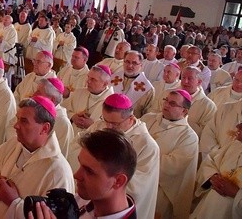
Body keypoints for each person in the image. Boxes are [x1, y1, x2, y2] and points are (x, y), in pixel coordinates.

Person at [0, 96, 75, 218]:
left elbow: (54, 216)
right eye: (17, 119)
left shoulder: (58, 171)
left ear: (44, 128)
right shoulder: (13, 144)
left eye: (23, 121)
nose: (16, 126)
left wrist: (14, 202)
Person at [67, 94, 159, 219]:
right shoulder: (99, 126)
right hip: (89, 200)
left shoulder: (147, 145)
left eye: (115, 124)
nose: (108, 127)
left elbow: (140, 186)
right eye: (105, 120)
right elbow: (75, 149)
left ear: (130, 119)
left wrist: (101, 175)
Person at [141, 90, 198, 219]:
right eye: (166, 100)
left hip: (161, 191)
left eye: (172, 103)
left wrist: (141, 156)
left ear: (184, 111)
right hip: (136, 180)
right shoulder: (148, 119)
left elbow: (173, 167)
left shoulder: (189, 136)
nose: (166, 105)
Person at [75, 129, 137, 218]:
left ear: (118, 181)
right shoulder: (83, 199)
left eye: (89, 171)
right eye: (80, 164)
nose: (76, 175)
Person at [191, 122, 242, 219]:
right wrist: (213, 176)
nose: (237, 126)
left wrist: (236, 193)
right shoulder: (235, 145)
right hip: (208, 208)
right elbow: (210, 161)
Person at [64, 64, 114, 135]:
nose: (88, 81)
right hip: (71, 135)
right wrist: (73, 117)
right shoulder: (79, 92)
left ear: (105, 84)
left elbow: (112, 130)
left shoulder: (112, 104)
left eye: (93, 79)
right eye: (88, 77)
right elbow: (62, 109)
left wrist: (93, 125)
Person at [111, 50, 155, 118]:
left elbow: (146, 116)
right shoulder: (112, 79)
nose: (130, 65)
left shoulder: (148, 90)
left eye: (134, 63)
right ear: (123, 62)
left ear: (141, 65)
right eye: (127, 62)